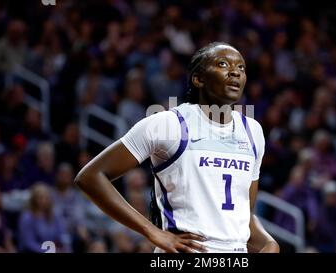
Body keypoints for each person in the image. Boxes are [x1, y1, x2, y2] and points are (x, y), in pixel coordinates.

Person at [75, 42, 279, 253]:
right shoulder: (169, 124)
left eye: (241, 68)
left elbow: (243, 212)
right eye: (223, 64)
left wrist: (268, 242)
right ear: (198, 79)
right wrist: (152, 232)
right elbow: (90, 177)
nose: (235, 72)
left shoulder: (253, 131)